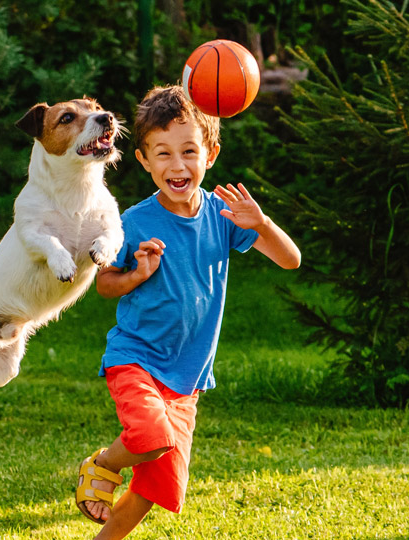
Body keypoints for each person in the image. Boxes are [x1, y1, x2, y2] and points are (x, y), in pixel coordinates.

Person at [75, 85, 301, 540]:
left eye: (189, 151)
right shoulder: (134, 221)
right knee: (150, 437)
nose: (177, 166)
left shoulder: (226, 215)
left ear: (210, 154)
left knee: (154, 489)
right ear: (143, 160)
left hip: (187, 378)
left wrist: (262, 223)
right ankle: (99, 466)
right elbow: (104, 284)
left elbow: (290, 259)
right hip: (136, 358)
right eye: (163, 154)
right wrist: (136, 275)